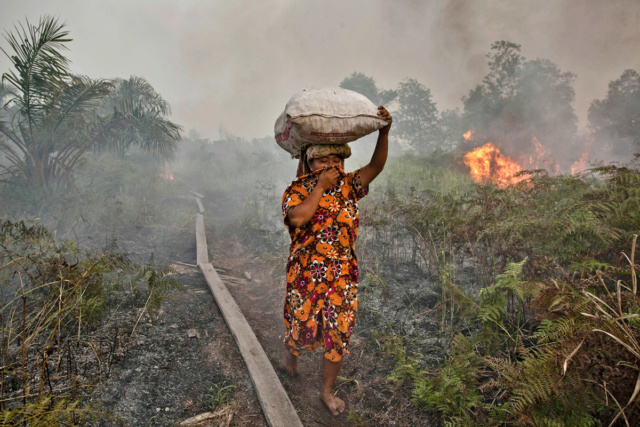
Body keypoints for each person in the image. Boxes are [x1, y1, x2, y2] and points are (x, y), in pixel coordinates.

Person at [280, 106, 392, 416]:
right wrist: (319, 187)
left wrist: (384, 131)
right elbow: (299, 218)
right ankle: (292, 354)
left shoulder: (350, 187)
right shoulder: (298, 190)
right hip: (305, 275)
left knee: (337, 333)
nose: (332, 165)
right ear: (310, 160)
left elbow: (376, 166)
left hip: (341, 276)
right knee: (301, 324)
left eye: (338, 159)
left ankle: (326, 391)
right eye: (324, 159)